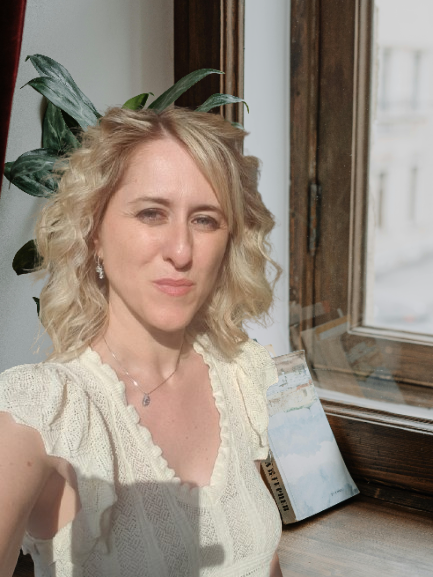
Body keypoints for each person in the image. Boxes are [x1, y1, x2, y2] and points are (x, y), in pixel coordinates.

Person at [0, 106, 284, 577]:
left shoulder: (240, 373)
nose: (181, 251)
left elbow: (260, 559)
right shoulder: (38, 413)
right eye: (152, 214)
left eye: (205, 220)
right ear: (94, 231)